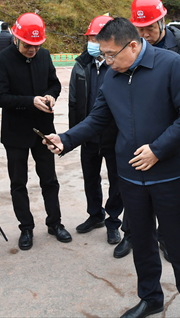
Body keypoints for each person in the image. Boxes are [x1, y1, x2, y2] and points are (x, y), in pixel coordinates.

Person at [43, 18, 180, 318]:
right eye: (103, 55)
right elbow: (97, 118)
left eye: (110, 55)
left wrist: (158, 150)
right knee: (141, 242)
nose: (107, 61)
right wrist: (65, 139)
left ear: (132, 45)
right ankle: (150, 297)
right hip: (131, 176)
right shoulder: (113, 76)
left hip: (169, 175)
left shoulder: (171, 65)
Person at [123, 0, 180, 261]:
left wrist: (160, 86)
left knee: (170, 195)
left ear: (162, 22)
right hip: (138, 125)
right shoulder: (132, 45)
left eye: (150, 28)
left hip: (169, 127)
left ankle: (167, 238)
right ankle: (130, 234)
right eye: (140, 29)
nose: (145, 34)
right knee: (135, 189)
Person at [0, 12, 71, 251]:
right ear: (16, 38)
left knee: (49, 179)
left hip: (44, 130)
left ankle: (55, 223)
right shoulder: (2, 60)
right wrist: (30, 101)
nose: (32, 50)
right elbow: (0, 97)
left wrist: (51, 95)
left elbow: (54, 83)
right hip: (15, 132)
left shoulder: (44, 56)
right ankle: (26, 227)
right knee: (18, 182)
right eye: (28, 45)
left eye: (36, 45)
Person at [68, 15, 125, 248]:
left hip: (113, 135)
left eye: (96, 38)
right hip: (88, 135)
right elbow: (73, 101)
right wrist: (74, 135)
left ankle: (113, 222)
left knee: (116, 181)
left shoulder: (119, 66)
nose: (92, 42)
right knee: (90, 177)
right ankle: (95, 214)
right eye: (90, 38)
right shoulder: (81, 64)